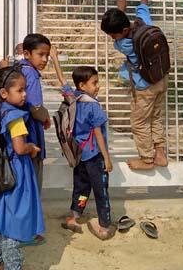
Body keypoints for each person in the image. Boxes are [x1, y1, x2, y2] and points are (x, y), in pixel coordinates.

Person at [99, 0, 168, 171]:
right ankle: (160, 153)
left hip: (145, 86)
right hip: (161, 78)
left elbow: (120, 37)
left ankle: (147, 159)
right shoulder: (143, 21)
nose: (113, 39)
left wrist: (120, 6)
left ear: (122, 31)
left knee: (139, 122)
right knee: (156, 116)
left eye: (113, 35)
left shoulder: (124, 44)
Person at [0, 67, 47, 270]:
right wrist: (31, 147)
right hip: (15, 173)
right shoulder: (16, 116)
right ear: (4, 93)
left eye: (25, 89)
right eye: (20, 90)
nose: (25, 94)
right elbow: (19, 147)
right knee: (14, 220)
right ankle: (13, 265)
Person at [51, 55, 115, 240]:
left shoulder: (73, 98)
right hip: (95, 156)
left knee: (81, 188)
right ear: (82, 85)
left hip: (79, 154)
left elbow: (62, 80)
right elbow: (98, 133)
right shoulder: (93, 106)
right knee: (101, 191)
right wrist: (107, 158)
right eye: (94, 83)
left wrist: (55, 59)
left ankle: (74, 217)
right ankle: (104, 226)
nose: (98, 86)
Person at [0, 34, 52, 192]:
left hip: (17, 138)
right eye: (40, 54)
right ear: (27, 54)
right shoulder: (30, 74)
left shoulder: (18, 69)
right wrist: (45, 117)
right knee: (32, 185)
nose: (45, 59)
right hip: (30, 137)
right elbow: (35, 107)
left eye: (47, 55)